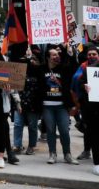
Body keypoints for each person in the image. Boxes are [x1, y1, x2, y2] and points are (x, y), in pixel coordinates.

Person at [41, 47, 78, 164]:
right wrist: (28, 57)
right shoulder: (41, 69)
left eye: (58, 54)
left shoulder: (63, 69)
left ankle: (67, 154)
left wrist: (71, 55)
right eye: (54, 55)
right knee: (50, 130)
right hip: (47, 106)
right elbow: (28, 70)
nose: (57, 56)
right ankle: (52, 154)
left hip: (61, 106)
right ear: (48, 57)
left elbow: (74, 69)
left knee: (64, 130)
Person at [13, 46, 45, 156]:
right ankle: (17, 145)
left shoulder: (39, 71)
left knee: (32, 125)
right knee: (17, 124)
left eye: (34, 59)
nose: (31, 61)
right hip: (20, 101)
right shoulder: (20, 68)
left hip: (33, 103)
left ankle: (32, 145)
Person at [73, 46, 99, 175]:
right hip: (92, 109)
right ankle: (97, 163)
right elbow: (80, 82)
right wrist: (85, 86)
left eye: (94, 54)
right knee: (94, 135)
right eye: (89, 54)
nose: (92, 56)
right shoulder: (88, 70)